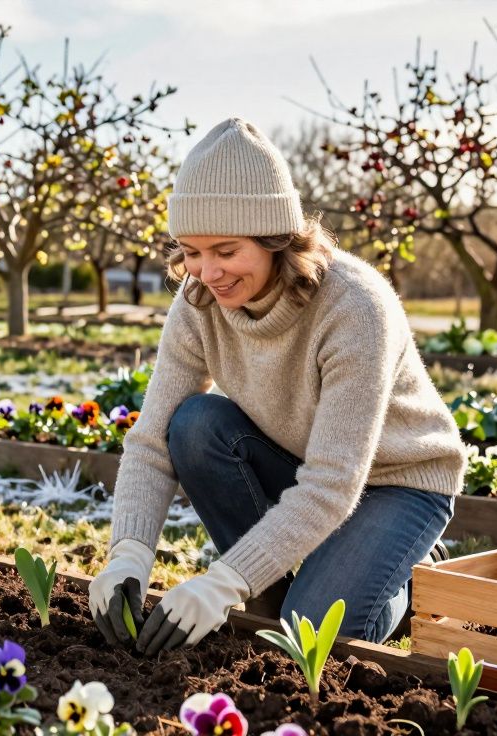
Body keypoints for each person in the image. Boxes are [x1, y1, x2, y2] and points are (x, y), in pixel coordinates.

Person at [88, 117, 467, 655]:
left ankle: (406, 573)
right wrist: (127, 551)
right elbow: (151, 442)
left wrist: (222, 582)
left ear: (275, 238)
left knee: (309, 636)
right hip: (303, 462)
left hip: (398, 481)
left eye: (225, 250)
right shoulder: (198, 303)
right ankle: (281, 587)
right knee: (195, 426)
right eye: (191, 252)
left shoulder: (354, 308)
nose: (207, 272)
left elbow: (334, 482)